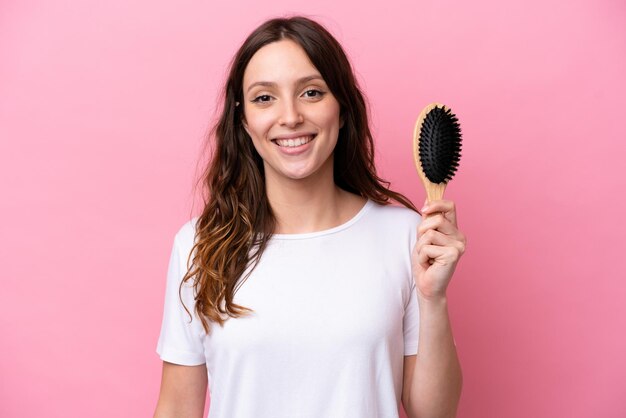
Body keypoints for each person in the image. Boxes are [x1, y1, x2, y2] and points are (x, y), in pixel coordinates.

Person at [153, 15, 466, 418]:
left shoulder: (404, 235)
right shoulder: (198, 245)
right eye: (264, 97)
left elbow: (435, 414)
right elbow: (177, 408)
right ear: (243, 120)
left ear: (342, 106)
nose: (290, 117)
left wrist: (434, 297)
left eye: (312, 93)